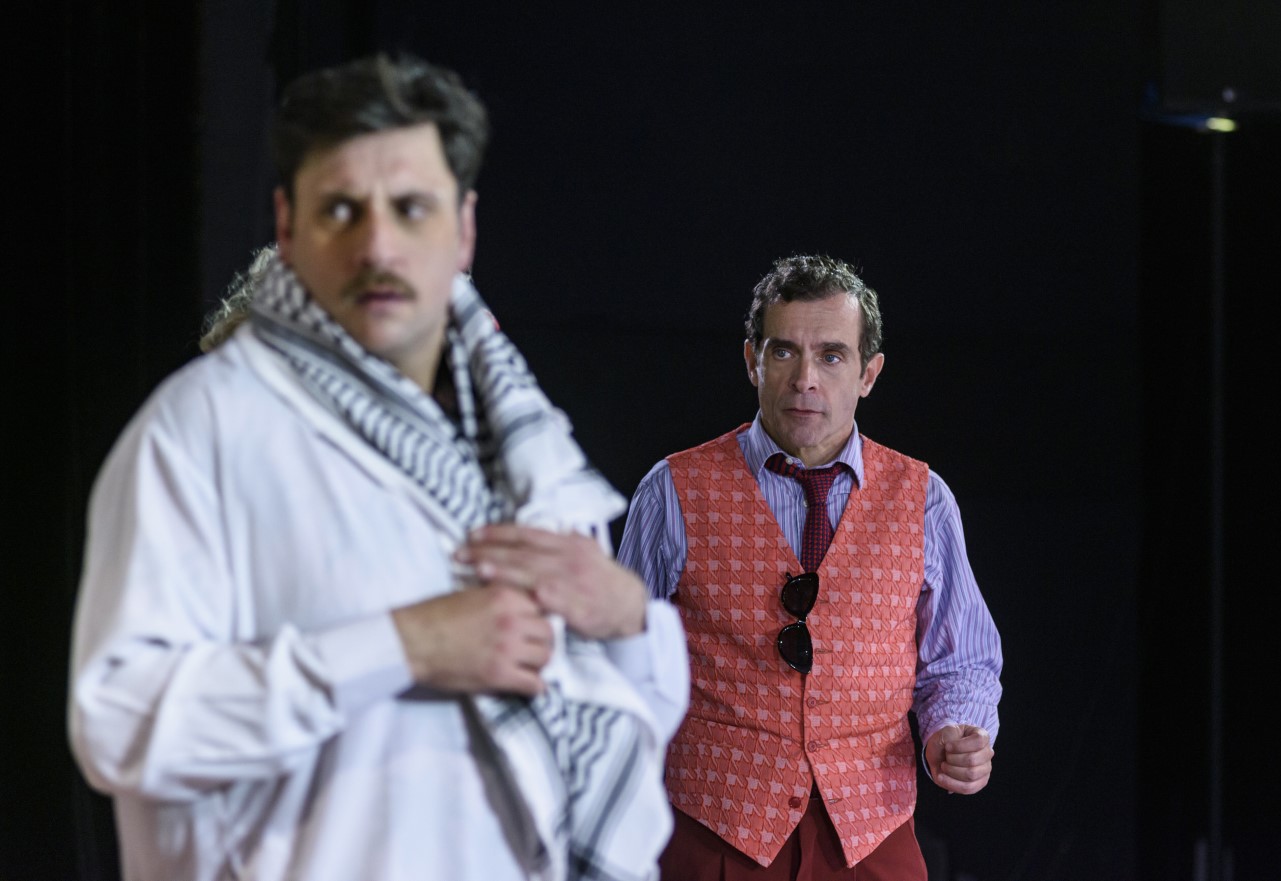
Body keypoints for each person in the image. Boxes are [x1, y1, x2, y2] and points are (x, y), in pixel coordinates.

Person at [68, 53, 688, 881]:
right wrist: (404, 645)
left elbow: (606, 745)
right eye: (341, 209)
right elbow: (116, 723)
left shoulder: (532, 451)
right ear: (287, 226)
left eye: (410, 207)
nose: (378, 244)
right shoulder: (200, 429)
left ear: (464, 228)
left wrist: (632, 624)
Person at [617, 255, 1002, 880]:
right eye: (783, 352)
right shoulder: (673, 490)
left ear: (868, 373)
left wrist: (955, 730)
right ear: (752, 361)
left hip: (870, 838)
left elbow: (961, 662)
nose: (805, 380)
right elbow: (617, 660)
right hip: (713, 832)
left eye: (831, 356)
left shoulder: (924, 499)